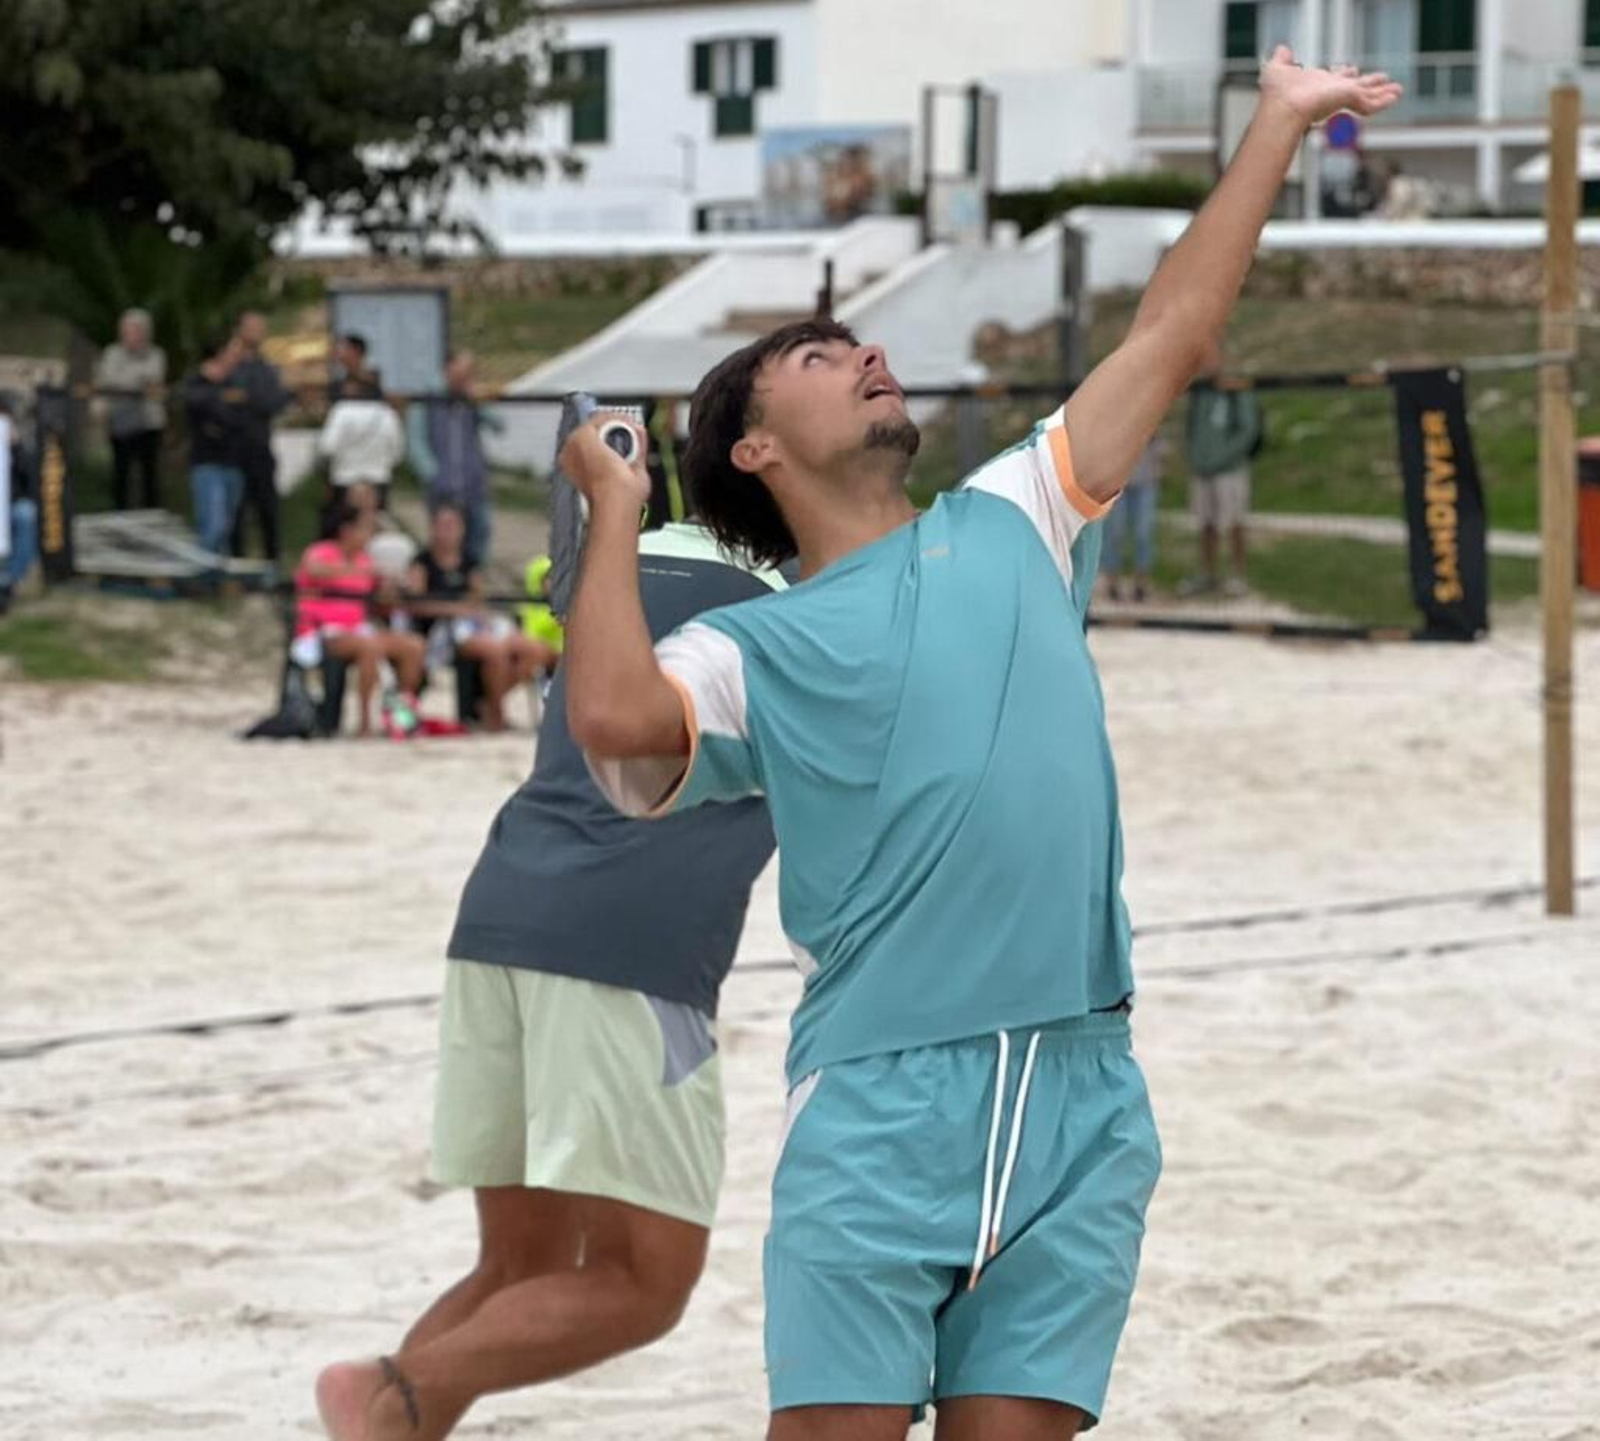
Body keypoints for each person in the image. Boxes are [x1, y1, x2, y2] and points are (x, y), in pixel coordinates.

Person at [557, 50, 1398, 1441]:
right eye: (824, 359)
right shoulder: (747, 651)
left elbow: (1176, 329)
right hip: (884, 1109)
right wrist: (611, 514)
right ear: (755, 452)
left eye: (861, 343)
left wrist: (1280, 122)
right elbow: (613, 719)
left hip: (1086, 1094)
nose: (871, 355)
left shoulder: (1018, 511)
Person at [313, 514, 786, 1440]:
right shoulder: (814, 597)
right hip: (628, 946)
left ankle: (392, 1414)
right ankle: (382, 1386)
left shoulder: (630, 552)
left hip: (505, 902)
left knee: (520, 1271)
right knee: (645, 1284)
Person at [404, 503, 557, 731]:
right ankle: (495, 714)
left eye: (453, 525)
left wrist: (473, 611)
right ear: (433, 528)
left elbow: (478, 599)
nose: (447, 531)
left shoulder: (470, 561)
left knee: (537, 651)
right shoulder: (422, 562)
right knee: (496, 651)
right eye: (443, 525)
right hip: (440, 630)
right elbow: (414, 604)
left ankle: (489, 703)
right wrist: (454, 609)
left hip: (471, 623)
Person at [293, 501, 426, 738]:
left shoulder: (365, 560)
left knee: (413, 646)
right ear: (347, 530)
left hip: (358, 629)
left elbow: (381, 599)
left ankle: (402, 715)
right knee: (370, 647)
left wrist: (396, 585)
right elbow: (313, 570)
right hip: (322, 630)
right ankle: (365, 721)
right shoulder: (322, 551)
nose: (369, 535)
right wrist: (362, 572)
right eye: (365, 528)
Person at [408, 351, 502, 566]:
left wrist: (476, 401)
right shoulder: (427, 398)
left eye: (469, 372)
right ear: (447, 369)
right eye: (461, 371)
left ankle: (474, 582)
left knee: (479, 537)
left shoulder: (470, 400)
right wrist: (433, 474)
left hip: (474, 486)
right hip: (442, 488)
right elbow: (416, 441)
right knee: (445, 541)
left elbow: (499, 425)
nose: (465, 377)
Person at [1182, 343, 1262, 598]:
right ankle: (1207, 574)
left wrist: (1223, 456)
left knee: (1234, 522)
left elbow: (1248, 430)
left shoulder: (1235, 388)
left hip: (1229, 469)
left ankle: (1239, 575)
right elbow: (1192, 427)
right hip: (1203, 469)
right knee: (1206, 524)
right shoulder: (1200, 391)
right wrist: (1196, 456)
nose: (1206, 364)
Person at [229, 310, 292, 563]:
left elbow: (275, 401)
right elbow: (227, 399)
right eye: (252, 327)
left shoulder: (268, 367)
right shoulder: (231, 365)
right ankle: (237, 563)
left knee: (268, 509)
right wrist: (256, 399)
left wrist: (249, 398)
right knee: (236, 511)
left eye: (261, 327)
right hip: (233, 447)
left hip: (261, 445)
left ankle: (272, 562)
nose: (258, 332)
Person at [182, 332, 249, 557]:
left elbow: (241, 417)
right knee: (213, 523)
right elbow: (196, 409)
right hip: (207, 462)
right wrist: (217, 398)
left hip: (233, 461)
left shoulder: (237, 381)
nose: (237, 356)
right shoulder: (196, 382)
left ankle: (219, 577)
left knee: (227, 526)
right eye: (232, 351)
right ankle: (203, 574)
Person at [95, 308, 167, 511]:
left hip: (149, 423)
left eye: (134, 330)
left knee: (149, 476)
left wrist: (127, 380)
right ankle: (120, 515)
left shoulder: (156, 354)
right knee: (121, 475)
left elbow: (154, 378)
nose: (129, 335)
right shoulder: (112, 353)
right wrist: (136, 382)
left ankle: (152, 515)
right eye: (125, 330)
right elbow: (109, 380)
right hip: (121, 423)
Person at [318, 376, 405, 510]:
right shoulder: (387, 413)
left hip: (344, 479)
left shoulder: (341, 411)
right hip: (378, 479)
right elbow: (398, 451)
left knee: (346, 526)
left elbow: (327, 447)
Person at [1101, 434, 1165, 602]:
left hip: (1146, 480)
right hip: (1117, 482)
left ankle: (1141, 583)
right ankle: (1112, 582)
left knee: (1143, 533)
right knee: (1115, 532)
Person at [1, 397, 37, 612]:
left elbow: (30, 480)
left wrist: (16, 448)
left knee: (26, 514)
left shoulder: (16, 446)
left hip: (9, 506)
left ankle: (8, 580)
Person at [331, 332, 379, 402]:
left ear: (357, 350)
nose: (338, 352)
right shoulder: (340, 379)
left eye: (344, 348)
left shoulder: (371, 377)